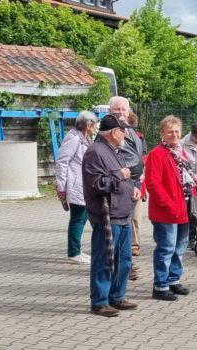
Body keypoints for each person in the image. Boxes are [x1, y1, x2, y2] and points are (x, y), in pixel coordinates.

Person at [82, 114, 141, 317]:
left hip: (122, 213)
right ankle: (99, 301)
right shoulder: (95, 152)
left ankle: (117, 297)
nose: (125, 133)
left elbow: (126, 176)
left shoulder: (114, 151)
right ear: (114, 132)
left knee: (123, 260)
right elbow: (97, 184)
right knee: (104, 259)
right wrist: (121, 176)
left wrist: (133, 187)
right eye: (123, 130)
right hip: (107, 216)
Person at [147, 116, 195, 301]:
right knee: (166, 247)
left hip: (182, 207)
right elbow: (153, 183)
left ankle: (173, 279)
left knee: (179, 247)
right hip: (166, 210)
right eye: (170, 132)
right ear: (162, 134)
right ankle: (160, 285)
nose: (174, 135)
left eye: (176, 131)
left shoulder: (179, 152)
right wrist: (167, 203)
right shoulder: (157, 154)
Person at [108, 97, 146, 281]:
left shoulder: (133, 133)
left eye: (123, 109)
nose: (121, 112)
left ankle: (126, 264)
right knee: (120, 229)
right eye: (117, 109)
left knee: (132, 225)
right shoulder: (110, 135)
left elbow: (139, 160)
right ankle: (120, 266)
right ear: (110, 111)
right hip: (119, 188)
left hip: (135, 185)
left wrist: (140, 184)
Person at [56, 111, 99, 265]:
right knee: (78, 218)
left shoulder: (85, 139)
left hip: (84, 185)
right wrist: (61, 186)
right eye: (94, 124)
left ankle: (77, 250)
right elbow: (62, 162)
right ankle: (74, 253)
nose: (95, 127)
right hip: (75, 185)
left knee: (82, 217)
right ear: (88, 125)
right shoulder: (73, 138)